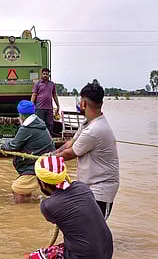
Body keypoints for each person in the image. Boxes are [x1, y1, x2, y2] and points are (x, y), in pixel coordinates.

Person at [26, 156, 113, 259]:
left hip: (84, 256)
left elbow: (55, 214)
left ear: (42, 183)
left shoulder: (47, 206)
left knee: (31, 258)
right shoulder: (82, 187)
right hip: (107, 250)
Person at [55, 80, 119, 219]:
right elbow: (69, 144)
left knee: (94, 230)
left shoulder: (94, 129)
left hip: (100, 190)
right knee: (82, 228)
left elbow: (69, 153)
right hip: (88, 187)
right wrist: (51, 153)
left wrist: (45, 160)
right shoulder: (87, 123)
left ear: (83, 103)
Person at [0, 100, 55, 203]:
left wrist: (1, 147)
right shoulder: (39, 123)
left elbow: (13, 145)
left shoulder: (26, 128)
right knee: (25, 190)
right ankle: (28, 207)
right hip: (45, 163)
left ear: (20, 114)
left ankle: (20, 212)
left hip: (37, 166)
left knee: (17, 189)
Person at [31, 68, 60, 136]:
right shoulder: (38, 84)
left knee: (50, 124)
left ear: (49, 75)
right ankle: (39, 138)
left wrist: (58, 105)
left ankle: (49, 139)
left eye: (47, 74)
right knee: (40, 124)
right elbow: (34, 95)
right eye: (44, 74)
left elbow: (54, 95)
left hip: (49, 108)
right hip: (39, 108)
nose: (45, 75)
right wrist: (31, 105)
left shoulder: (52, 84)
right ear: (41, 74)